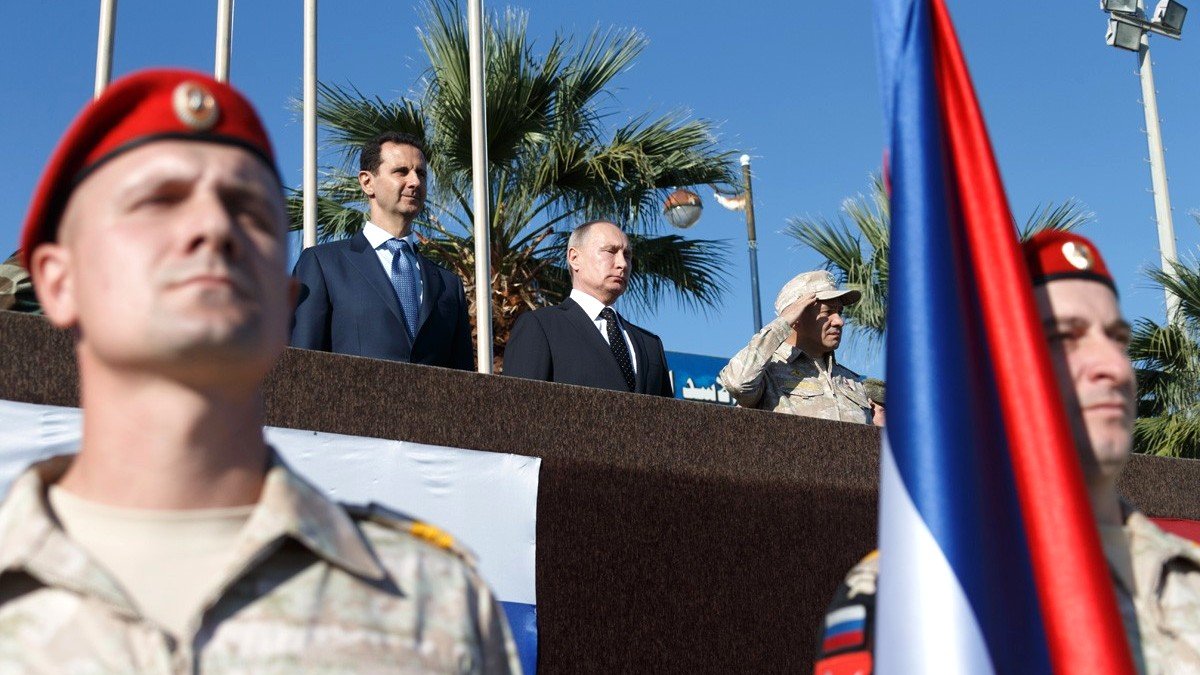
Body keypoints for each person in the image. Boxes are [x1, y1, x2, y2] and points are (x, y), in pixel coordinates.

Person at [4, 68, 519, 672]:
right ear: (58, 281)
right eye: (158, 202)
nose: (211, 230)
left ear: (279, 298)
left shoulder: (435, 608)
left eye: (248, 213)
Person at [814, 231, 1200, 675]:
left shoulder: (1188, 573)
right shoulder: (918, 590)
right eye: (1063, 337)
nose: (1112, 366)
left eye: (1116, 338)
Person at [290, 131, 474, 369]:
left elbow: (464, 384)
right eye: (401, 171)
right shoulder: (323, 264)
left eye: (421, 173)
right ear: (367, 182)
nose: (415, 182)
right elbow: (302, 366)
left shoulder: (449, 285)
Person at [503, 220, 673, 396]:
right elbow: (518, 410)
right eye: (610, 251)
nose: (622, 263)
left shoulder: (650, 344)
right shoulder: (541, 326)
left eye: (627, 255)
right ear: (575, 258)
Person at [718, 270, 873, 424]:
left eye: (839, 312)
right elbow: (738, 383)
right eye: (828, 312)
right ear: (797, 317)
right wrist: (783, 322)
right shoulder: (767, 372)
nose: (839, 321)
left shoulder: (852, 381)